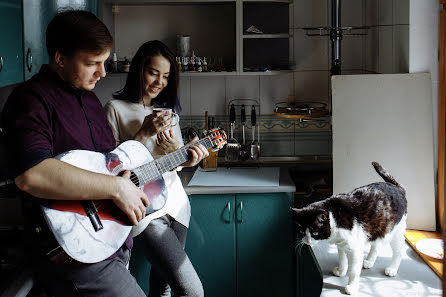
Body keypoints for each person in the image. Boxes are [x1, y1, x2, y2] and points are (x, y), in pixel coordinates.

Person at [1, 11, 204, 297]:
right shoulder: (31, 100)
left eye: (104, 62)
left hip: (111, 242)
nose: (103, 73)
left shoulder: (91, 101)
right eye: (92, 63)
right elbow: (31, 175)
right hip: (74, 251)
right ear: (60, 58)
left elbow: (110, 166)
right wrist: (117, 187)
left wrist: (170, 159)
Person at [104, 40, 207, 297]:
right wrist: (144, 132)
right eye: (153, 72)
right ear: (139, 69)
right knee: (192, 291)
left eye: (166, 76)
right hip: (145, 210)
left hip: (177, 205)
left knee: (163, 287)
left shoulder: (169, 112)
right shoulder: (114, 109)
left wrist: (186, 156)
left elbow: (176, 165)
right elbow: (110, 167)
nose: (159, 81)